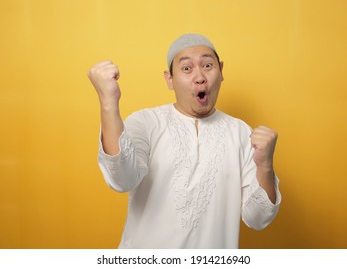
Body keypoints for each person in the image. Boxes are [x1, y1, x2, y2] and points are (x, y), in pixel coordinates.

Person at [87, 33, 282, 249]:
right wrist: (108, 103)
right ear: (169, 79)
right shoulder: (146, 122)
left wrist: (265, 165)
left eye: (208, 65)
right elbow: (122, 179)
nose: (200, 76)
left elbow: (258, 217)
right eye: (187, 68)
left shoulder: (240, 132)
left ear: (221, 71)